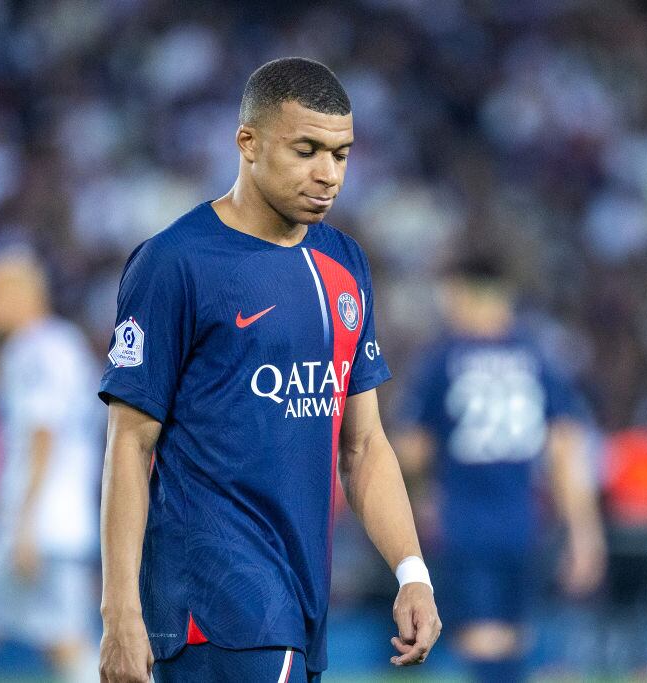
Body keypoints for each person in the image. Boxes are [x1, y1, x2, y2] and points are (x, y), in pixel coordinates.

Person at [97, 57, 440, 683]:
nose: (327, 174)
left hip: (302, 601)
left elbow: (362, 446)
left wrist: (411, 572)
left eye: (340, 155)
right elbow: (129, 443)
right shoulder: (175, 263)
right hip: (214, 604)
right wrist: (119, 610)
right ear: (247, 143)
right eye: (305, 149)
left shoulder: (345, 263)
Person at [395, 256, 605, 682]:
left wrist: (418, 499)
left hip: (464, 519)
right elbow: (567, 447)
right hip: (524, 521)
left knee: (479, 637)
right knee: (513, 637)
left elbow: (411, 449)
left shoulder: (443, 359)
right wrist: (585, 533)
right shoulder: (536, 358)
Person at [0, 252, 101, 683]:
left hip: (36, 524)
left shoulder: (34, 349)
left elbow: (43, 432)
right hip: (61, 522)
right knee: (64, 641)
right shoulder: (64, 343)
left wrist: (26, 522)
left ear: (18, 294)